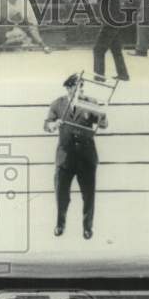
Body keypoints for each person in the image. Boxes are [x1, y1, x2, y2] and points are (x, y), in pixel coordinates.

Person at [45, 74, 108, 240]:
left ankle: (87, 227)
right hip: (65, 158)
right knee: (61, 194)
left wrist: (102, 114)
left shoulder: (89, 102)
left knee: (88, 195)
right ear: (69, 87)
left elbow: (103, 125)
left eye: (81, 86)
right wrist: (54, 124)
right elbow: (47, 124)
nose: (80, 89)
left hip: (86, 157)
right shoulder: (58, 104)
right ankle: (60, 224)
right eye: (77, 86)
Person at [86, 0, 135, 81]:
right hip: (114, 20)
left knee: (98, 49)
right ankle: (123, 74)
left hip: (110, 22)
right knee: (116, 49)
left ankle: (99, 76)